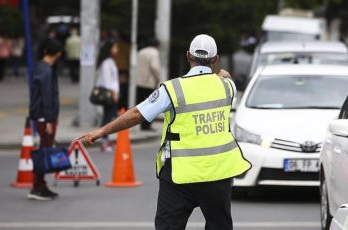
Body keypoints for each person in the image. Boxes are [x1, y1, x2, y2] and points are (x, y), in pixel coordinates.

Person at [78, 34, 251, 229]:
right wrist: (221, 75)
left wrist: (101, 132)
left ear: (188, 56)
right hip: (218, 173)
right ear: (216, 59)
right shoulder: (227, 86)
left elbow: (137, 114)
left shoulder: (172, 89)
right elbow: (223, 78)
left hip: (179, 174)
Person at [28, 39, 62, 200]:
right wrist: (48, 120)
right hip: (45, 118)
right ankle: (37, 187)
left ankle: (40, 185)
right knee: (44, 151)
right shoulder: (46, 71)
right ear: (58, 53)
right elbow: (46, 97)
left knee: (44, 150)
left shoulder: (41, 67)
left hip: (42, 117)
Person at [95, 40, 120, 152]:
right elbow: (107, 80)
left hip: (111, 93)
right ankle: (104, 141)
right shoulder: (107, 62)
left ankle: (106, 140)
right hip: (109, 94)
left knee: (108, 116)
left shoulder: (109, 61)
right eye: (115, 47)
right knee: (107, 117)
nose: (117, 50)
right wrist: (114, 93)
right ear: (110, 48)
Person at [135, 37, 161, 130]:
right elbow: (154, 67)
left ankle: (142, 124)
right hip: (149, 83)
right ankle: (147, 126)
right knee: (150, 105)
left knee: (141, 105)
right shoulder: (154, 52)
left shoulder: (141, 52)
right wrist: (158, 79)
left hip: (139, 82)